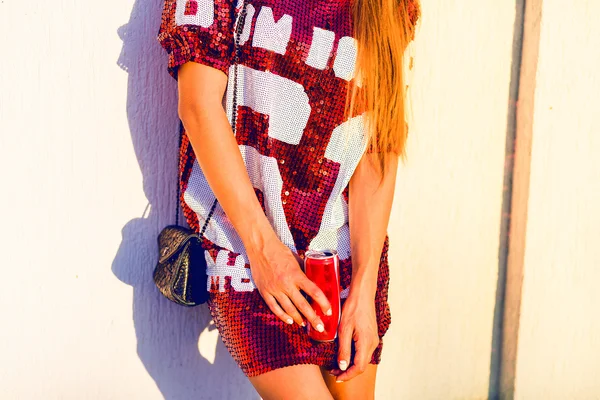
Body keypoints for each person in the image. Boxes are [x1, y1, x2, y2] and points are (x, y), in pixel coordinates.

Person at [157, 0, 420, 398]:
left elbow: (377, 143)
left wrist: (365, 289)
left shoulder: (390, 7)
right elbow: (197, 105)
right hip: (247, 254)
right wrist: (264, 253)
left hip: (346, 262)